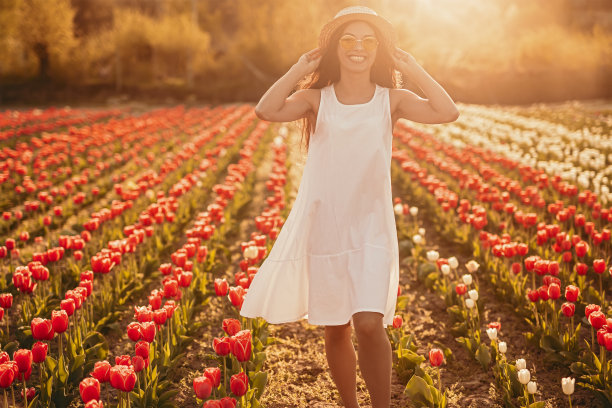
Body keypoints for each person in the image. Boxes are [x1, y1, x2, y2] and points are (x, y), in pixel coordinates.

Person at [240, 6, 459, 407]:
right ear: (335, 48)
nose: (358, 48)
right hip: (328, 225)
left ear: (378, 50)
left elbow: (447, 112)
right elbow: (266, 110)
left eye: (368, 41)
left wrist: (412, 67)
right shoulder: (315, 99)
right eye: (348, 40)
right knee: (336, 327)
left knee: (371, 324)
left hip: (373, 227)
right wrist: (297, 69)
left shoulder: (391, 100)